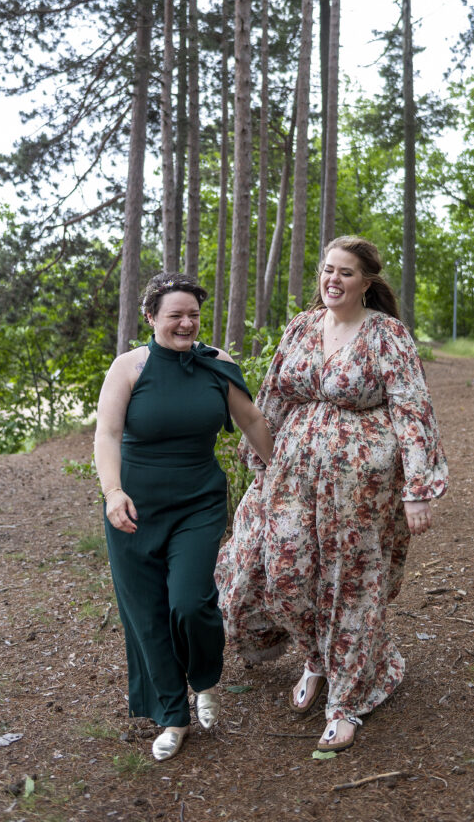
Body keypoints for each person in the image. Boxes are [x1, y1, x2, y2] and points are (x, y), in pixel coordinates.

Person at [217, 236, 448, 753]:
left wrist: (418, 489)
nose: (333, 280)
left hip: (359, 488)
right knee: (285, 572)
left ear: (366, 281)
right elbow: (273, 395)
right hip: (291, 478)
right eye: (327, 270)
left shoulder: (388, 335)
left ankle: (347, 696)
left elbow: (413, 410)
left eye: (345, 272)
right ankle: (317, 656)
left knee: (348, 581)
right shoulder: (301, 326)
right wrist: (259, 464)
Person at [95, 272, 273, 762]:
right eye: (175, 315)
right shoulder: (128, 368)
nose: (186, 323)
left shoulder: (218, 365)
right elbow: (107, 435)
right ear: (151, 317)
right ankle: (173, 717)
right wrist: (112, 493)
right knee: (148, 616)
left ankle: (206, 680)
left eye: (193, 315)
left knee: (191, 603)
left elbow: (253, 420)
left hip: (198, 501)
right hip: (134, 507)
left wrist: (281, 474)